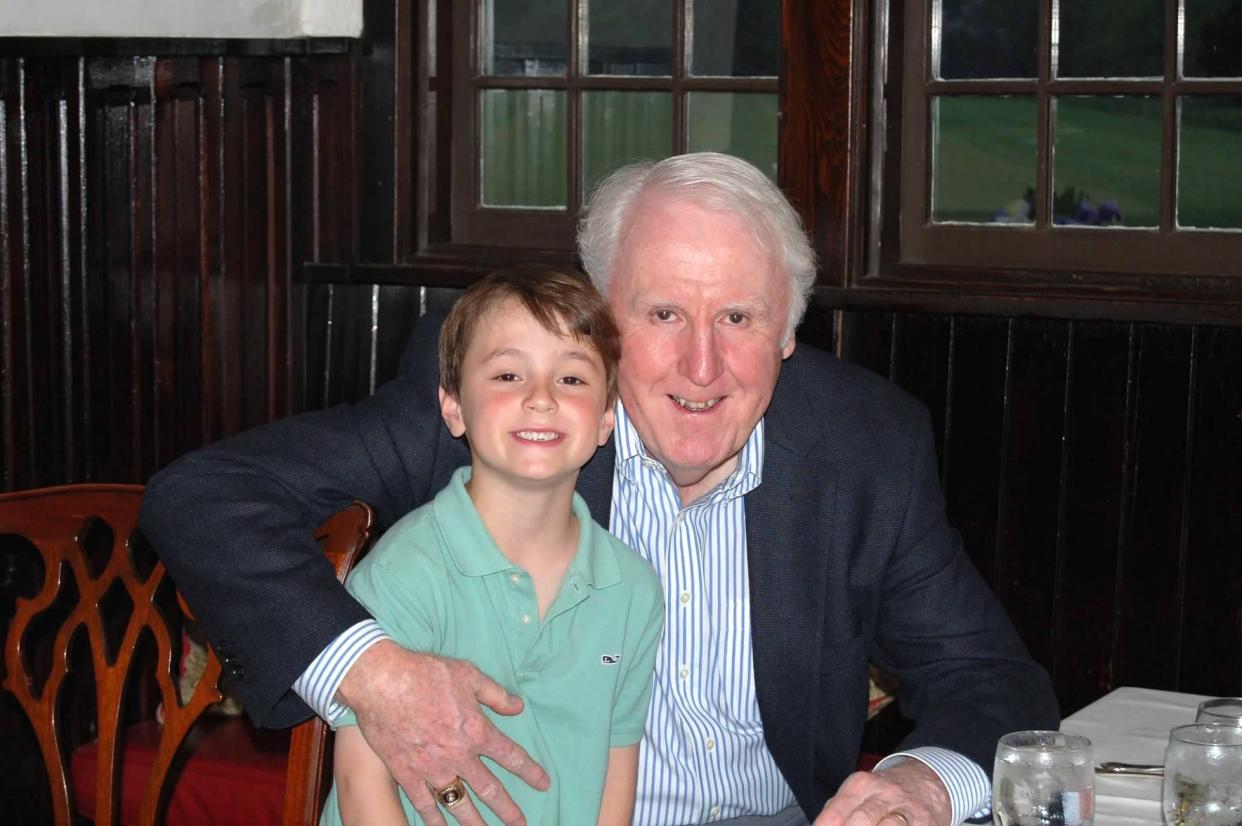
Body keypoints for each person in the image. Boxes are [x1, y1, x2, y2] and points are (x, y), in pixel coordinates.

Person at [141, 152, 1060, 826]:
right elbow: (207, 497)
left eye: (738, 317)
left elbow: (989, 678)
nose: (703, 365)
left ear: (787, 332)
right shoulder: (512, 414)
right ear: (599, 319)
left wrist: (923, 784)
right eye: (662, 314)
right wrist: (375, 676)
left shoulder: (863, 446)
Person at [322, 266, 663, 825]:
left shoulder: (633, 590)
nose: (541, 398)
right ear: (453, 405)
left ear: (606, 418)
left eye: (572, 379)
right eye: (508, 375)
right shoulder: (405, 573)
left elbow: (615, 775)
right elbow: (363, 790)